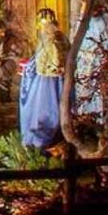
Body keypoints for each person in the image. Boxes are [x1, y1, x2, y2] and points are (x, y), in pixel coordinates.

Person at [18, 8, 65, 149]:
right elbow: (39, 58)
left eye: (42, 21)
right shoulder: (49, 37)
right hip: (45, 78)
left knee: (42, 109)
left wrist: (30, 68)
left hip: (47, 81)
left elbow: (53, 60)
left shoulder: (52, 38)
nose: (40, 26)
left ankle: (39, 140)